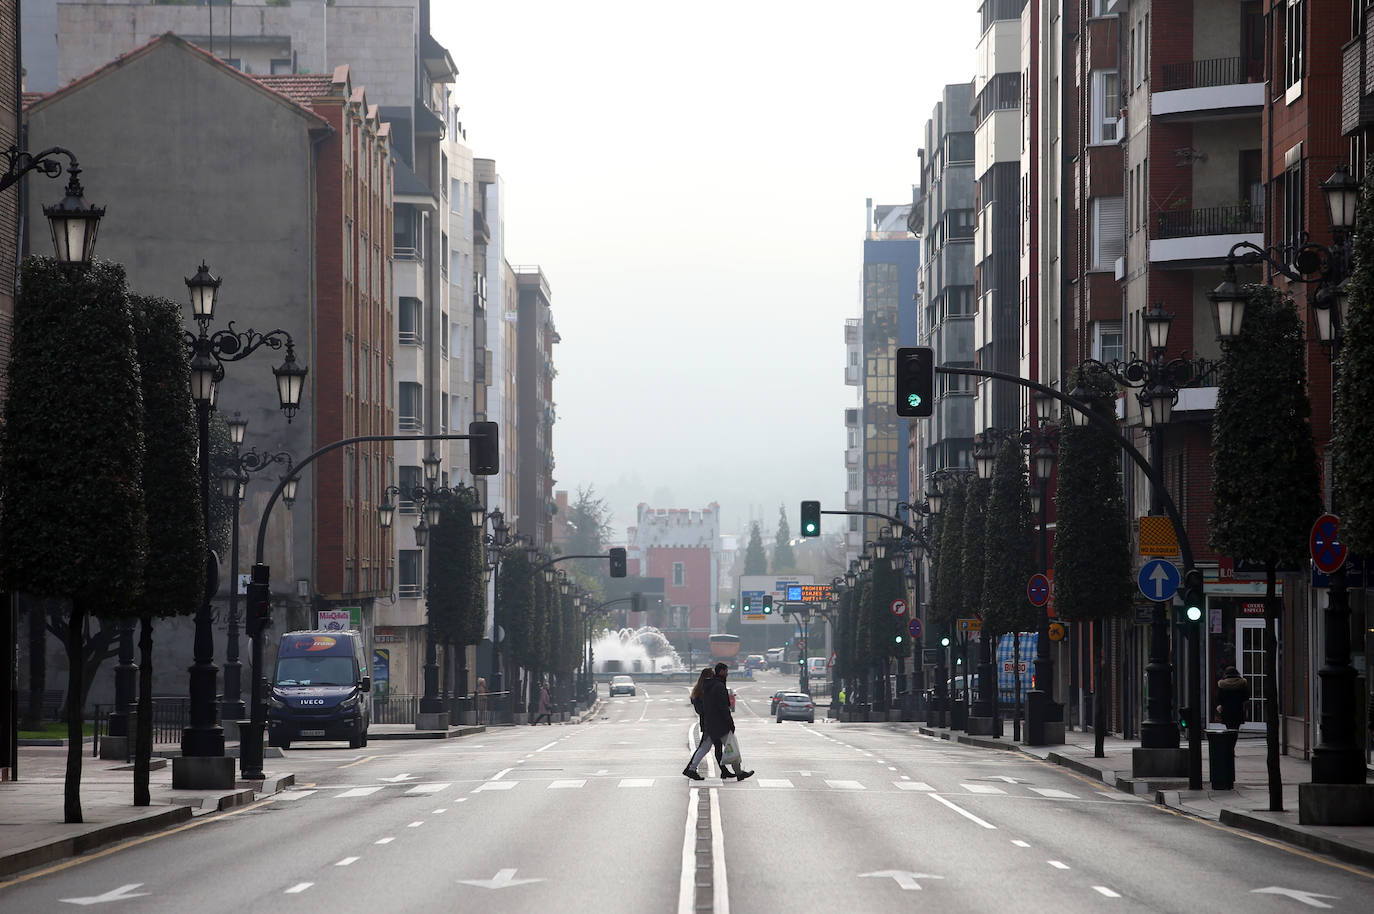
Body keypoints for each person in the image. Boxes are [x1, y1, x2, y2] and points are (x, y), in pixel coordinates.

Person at [704, 663, 753, 781]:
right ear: (721, 672)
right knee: (732, 748)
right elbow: (723, 707)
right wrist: (730, 723)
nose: (727, 673)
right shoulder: (719, 686)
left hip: (711, 722)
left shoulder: (711, 685)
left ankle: (724, 771)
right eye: (726, 671)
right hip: (721, 724)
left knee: (718, 748)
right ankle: (738, 772)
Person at [683, 668, 724, 780]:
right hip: (710, 723)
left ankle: (725, 770)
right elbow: (704, 708)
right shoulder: (705, 690)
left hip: (707, 722)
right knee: (704, 748)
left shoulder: (699, 689)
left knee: (709, 747)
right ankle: (691, 769)